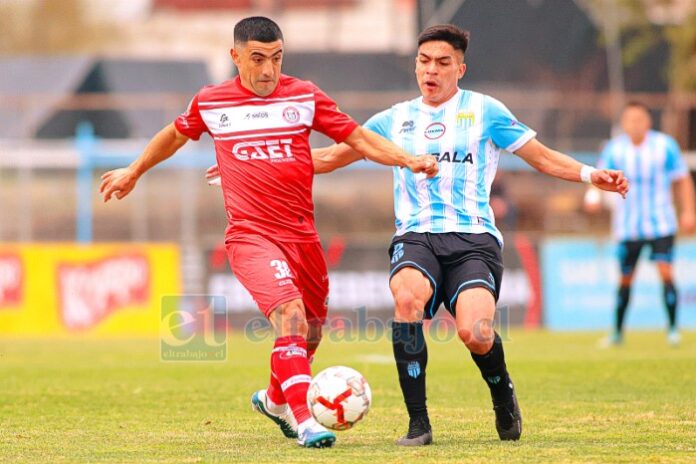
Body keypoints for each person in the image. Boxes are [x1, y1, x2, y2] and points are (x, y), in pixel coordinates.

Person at [99, 16, 437, 449]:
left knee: (310, 333)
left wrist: (407, 159)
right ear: (234, 56)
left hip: (303, 238)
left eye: (276, 59)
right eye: (257, 59)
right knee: (290, 318)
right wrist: (134, 170)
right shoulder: (212, 102)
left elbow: (358, 138)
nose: (267, 71)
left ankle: (276, 399)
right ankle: (305, 420)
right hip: (251, 236)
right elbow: (174, 134)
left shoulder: (304, 95)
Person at [313, 24, 629, 446]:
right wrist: (256, 165)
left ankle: (503, 397)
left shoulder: (486, 111)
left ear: (460, 68)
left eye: (443, 63)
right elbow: (333, 156)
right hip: (417, 236)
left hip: (473, 240)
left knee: (474, 333)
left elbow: (541, 157)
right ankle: (418, 425)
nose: (432, 71)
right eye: (424, 62)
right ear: (415, 66)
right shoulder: (395, 118)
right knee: (407, 300)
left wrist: (591, 175)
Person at [585, 101, 695, 347]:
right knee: (625, 278)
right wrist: (592, 198)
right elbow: (598, 177)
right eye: (630, 120)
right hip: (628, 226)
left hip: (661, 222)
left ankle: (673, 330)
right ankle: (617, 332)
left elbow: (682, 179)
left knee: (666, 272)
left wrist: (689, 211)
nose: (635, 124)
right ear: (623, 123)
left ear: (648, 121)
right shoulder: (614, 149)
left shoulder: (665, 146)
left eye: (640, 119)